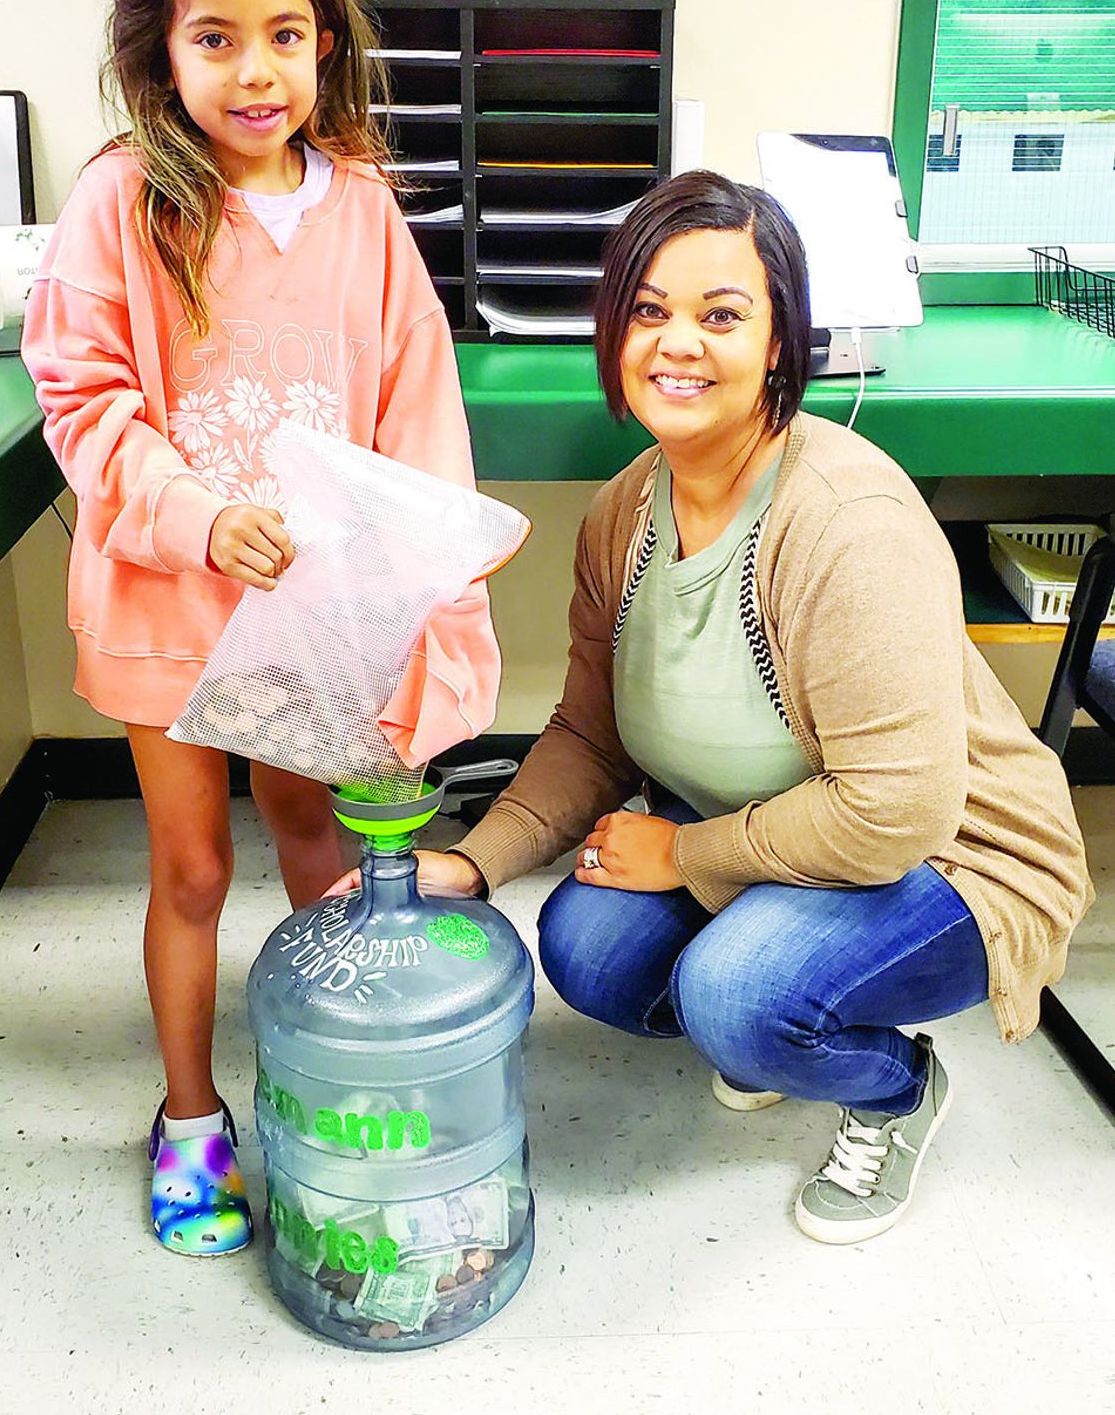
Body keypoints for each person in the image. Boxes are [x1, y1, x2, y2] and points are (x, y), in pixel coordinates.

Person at [338, 170, 1093, 1245]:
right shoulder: (622, 514)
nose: (676, 342)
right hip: (773, 831)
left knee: (735, 992)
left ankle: (891, 1084)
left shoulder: (844, 522)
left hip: (952, 858)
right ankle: (774, 1016)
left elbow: (897, 814)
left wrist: (689, 859)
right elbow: (589, 736)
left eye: (720, 314)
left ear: (781, 341)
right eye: (648, 310)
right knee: (587, 948)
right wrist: (476, 859)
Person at [22, 0, 501, 1258]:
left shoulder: (362, 211)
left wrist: (418, 583)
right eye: (217, 38)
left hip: (314, 624)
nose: (256, 71)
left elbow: (419, 415)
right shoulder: (123, 201)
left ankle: (323, 1074)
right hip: (168, 610)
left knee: (318, 847)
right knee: (185, 870)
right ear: (160, 55)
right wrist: (189, 512)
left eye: (286, 36)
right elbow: (86, 396)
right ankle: (188, 1119)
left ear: (327, 48)